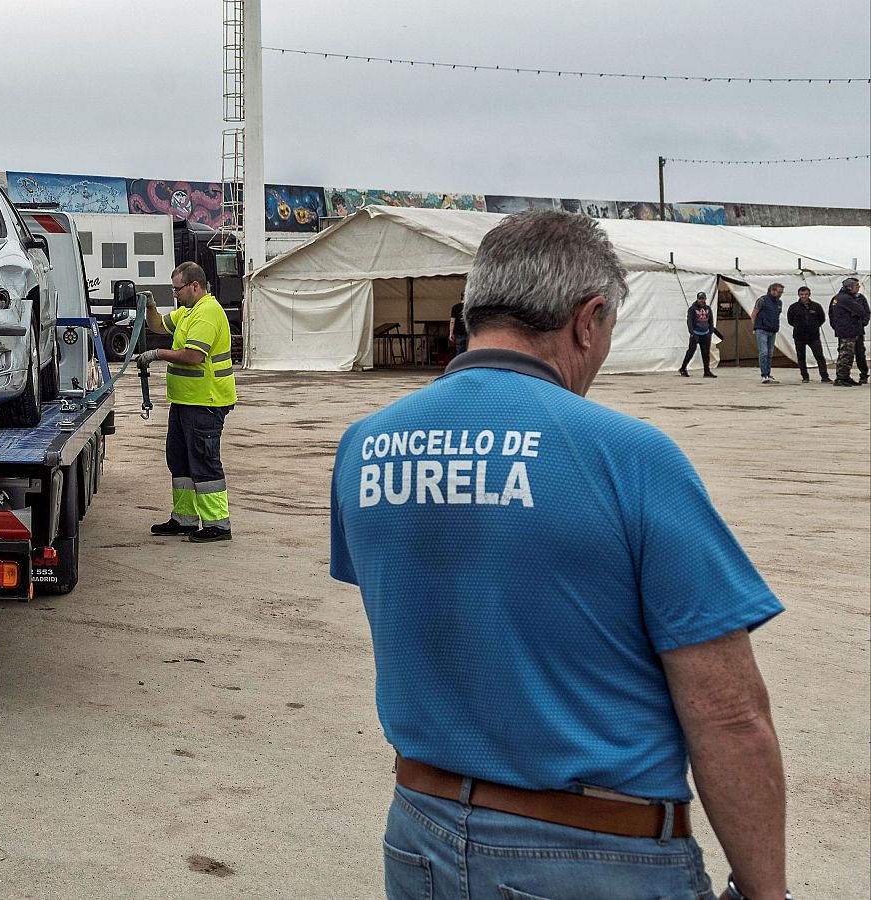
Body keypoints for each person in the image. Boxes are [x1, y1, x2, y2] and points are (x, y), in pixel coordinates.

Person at [329, 210, 788, 900]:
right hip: (592, 855)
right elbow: (730, 716)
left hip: (421, 832)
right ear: (588, 318)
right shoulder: (630, 457)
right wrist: (765, 892)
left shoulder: (366, 446)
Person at [135, 261, 237, 542]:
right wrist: (151, 307)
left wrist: (158, 354)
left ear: (195, 286)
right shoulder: (188, 312)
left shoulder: (206, 313)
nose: (175, 294)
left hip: (205, 401)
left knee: (204, 463)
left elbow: (193, 356)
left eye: (177, 289)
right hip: (185, 400)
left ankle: (218, 525)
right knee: (179, 461)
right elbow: (158, 325)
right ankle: (185, 519)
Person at [829, 277, 869, 386]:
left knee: (849, 354)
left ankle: (845, 377)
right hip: (848, 330)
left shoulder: (840, 297)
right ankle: (841, 378)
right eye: (856, 285)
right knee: (846, 355)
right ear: (849, 287)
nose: (858, 287)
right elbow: (861, 311)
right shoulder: (846, 298)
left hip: (849, 329)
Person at [786, 286, 830, 383]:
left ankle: (824, 376)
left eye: (806, 294)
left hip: (813, 336)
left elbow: (821, 319)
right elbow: (790, 320)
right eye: (802, 294)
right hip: (799, 336)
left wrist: (813, 326)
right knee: (801, 357)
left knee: (819, 356)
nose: (804, 296)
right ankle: (805, 376)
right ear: (799, 295)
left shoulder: (816, 306)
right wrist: (799, 326)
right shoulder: (793, 307)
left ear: (809, 294)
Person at [678, 291, 718, 377]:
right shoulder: (692, 309)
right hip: (695, 333)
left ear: (705, 299)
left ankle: (707, 371)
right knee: (691, 351)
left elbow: (710, 320)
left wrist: (711, 331)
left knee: (706, 353)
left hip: (706, 333)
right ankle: (683, 368)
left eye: (703, 299)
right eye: (700, 299)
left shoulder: (708, 308)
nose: (701, 300)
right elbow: (689, 321)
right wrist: (691, 332)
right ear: (697, 299)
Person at [751, 283, 784, 384]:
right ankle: (764, 374)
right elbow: (753, 314)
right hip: (762, 329)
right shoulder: (762, 300)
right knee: (764, 352)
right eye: (779, 292)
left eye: (781, 292)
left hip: (772, 329)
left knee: (770, 353)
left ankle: (768, 374)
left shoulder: (779, 302)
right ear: (772, 290)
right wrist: (755, 326)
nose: (780, 294)